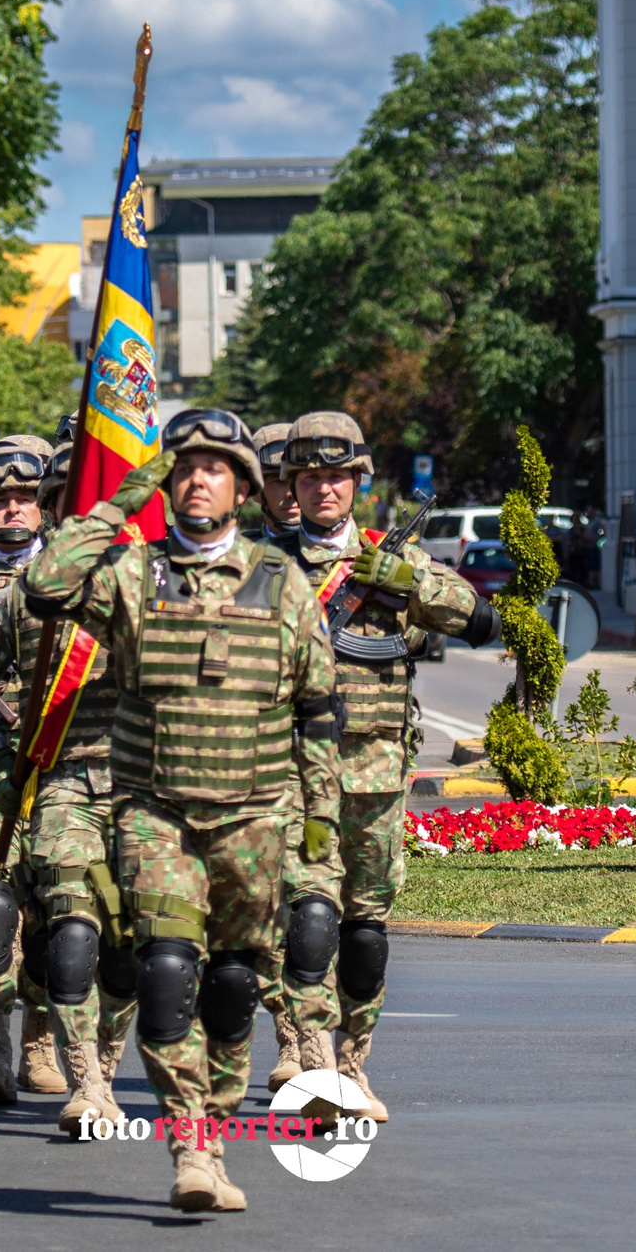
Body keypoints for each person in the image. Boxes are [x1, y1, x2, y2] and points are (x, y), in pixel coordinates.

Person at [22, 411, 342, 1214]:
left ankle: (216, 1118)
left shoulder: (282, 580)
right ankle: (191, 1144)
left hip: (257, 819)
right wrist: (113, 502)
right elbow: (45, 584)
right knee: (167, 971)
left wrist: (319, 818)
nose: (197, 478)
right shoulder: (132, 574)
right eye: (184, 467)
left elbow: (318, 707)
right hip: (156, 816)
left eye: (215, 467)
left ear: (243, 487)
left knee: (232, 987)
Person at [267, 410, 493, 1118]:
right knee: (307, 917)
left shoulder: (393, 559)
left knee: (365, 931)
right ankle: (314, 1061)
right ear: (290, 486)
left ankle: (356, 1063)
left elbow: (483, 622)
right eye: (309, 476)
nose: (323, 489)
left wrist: (410, 583)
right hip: (292, 775)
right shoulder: (261, 569)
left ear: (358, 483)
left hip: (376, 776)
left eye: (337, 475)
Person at [0, 436, 136, 1132]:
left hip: (94, 773)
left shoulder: (133, 586)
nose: (15, 509)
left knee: (72, 931)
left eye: (28, 498)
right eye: (1, 499)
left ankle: (48, 1044)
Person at [251, 422, 298, 540]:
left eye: (299, 480)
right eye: (279, 481)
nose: (291, 493)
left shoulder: (344, 554)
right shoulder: (239, 556)